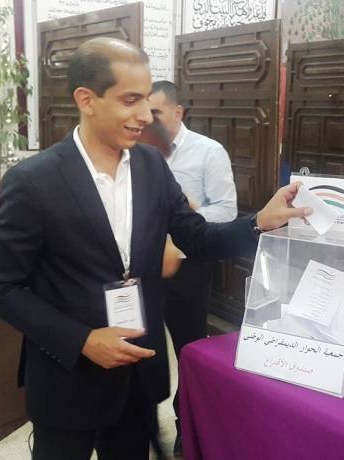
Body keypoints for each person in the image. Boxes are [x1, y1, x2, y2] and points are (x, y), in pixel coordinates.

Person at [0, 37, 310, 460]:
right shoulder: (34, 181)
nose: (144, 116)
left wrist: (259, 221)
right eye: (130, 100)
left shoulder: (151, 166)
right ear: (86, 100)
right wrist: (82, 340)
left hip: (138, 373)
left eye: (147, 101)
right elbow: (0, 287)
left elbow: (196, 238)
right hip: (67, 378)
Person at [142, 80, 237, 451]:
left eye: (155, 112)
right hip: (141, 268)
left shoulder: (208, 152)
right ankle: (142, 422)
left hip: (186, 266)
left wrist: (184, 217)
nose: (146, 120)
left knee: (188, 351)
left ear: (177, 112)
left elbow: (226, 210)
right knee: (141, 347)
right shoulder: (136, 149)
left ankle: (187, 426)